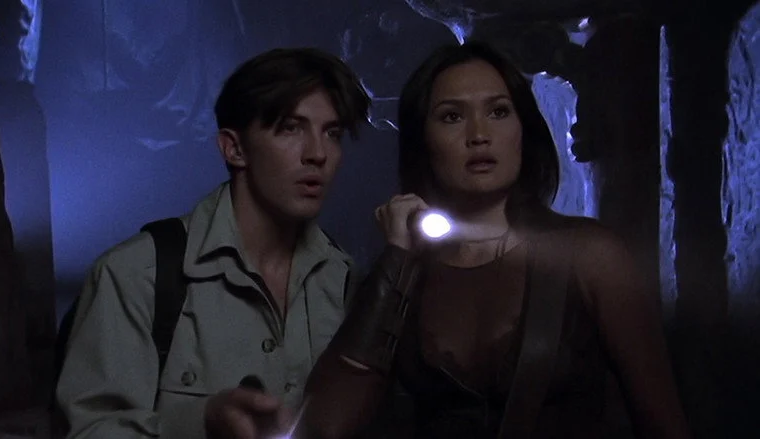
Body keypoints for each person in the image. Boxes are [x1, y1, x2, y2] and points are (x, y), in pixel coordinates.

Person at [298, 41, 692, 438]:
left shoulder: (591, 256)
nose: (479, 134)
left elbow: (664, 425)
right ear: (423, 140)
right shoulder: (405, 272)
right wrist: (397, 257)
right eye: (452, 116)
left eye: (499, 112)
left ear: (523, 128)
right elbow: (324, 424)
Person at [55, 47, 370, 439]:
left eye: (332, 134)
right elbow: (89, 430)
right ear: (233, 148)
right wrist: (202, 421)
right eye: (291, 128)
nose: (318, 154)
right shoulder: (137, 275)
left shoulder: (343, 280)